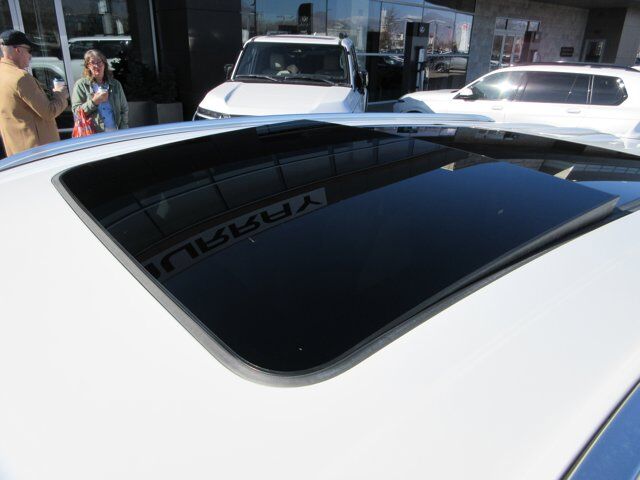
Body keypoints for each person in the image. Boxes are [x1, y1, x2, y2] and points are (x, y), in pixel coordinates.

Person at [0, 30, 69, 157]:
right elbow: (49, 112)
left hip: (16, 153)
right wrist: (61, 95)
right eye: (29, 51)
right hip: (38, 152)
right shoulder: (21, 78)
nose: (31, 56)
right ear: (18, 50)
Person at [71, 49, 128, 134]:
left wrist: (123, 130)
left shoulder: (115, 84)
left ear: (104, 63)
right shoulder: (81, 85)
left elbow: (124, 109)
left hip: (115, 132)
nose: (96, 65)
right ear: (88, 66)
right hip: (94, 134)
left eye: (99, 62)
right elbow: (76, 112)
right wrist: (94, 102)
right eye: (92, 63)